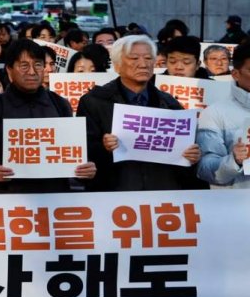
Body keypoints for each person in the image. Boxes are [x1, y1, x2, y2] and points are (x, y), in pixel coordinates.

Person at [0, 39, 97, 193]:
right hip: (9, 198)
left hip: (56, 196)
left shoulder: (60, 104)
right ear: (9, 70)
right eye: (24, 66)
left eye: (38, 65)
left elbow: (74, 153)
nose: (32, 72)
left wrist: (85, 169)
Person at [78, 35, 201, 192]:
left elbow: (184, 162)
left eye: (148, 58)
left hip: (162, 193)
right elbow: (82, 154)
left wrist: (191, 156)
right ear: (117, 65)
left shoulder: (170, 104)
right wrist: (104, 147)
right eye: (134, 58)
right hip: (115, 194)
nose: (143, 64)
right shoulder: (94, 101)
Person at [197, 43, 250, 188]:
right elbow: (206, 169)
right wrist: (234, 161)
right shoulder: (215, 112)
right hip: (239, 200)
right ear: (236, 74)